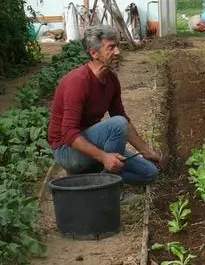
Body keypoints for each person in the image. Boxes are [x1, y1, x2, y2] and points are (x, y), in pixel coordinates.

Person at [47, 25, 161, 184]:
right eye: (111, 47)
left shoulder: (111, 79)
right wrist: (104, 157)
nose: (118, 52)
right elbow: (68, 134)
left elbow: (122, 117)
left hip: (89, 143)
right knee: (117, 125)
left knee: (149, 173)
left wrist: (146, 150)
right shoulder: (78, 82)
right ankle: (105, 185)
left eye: (118, 46)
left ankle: (90, 177)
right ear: (94, 53)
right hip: (67, 151)